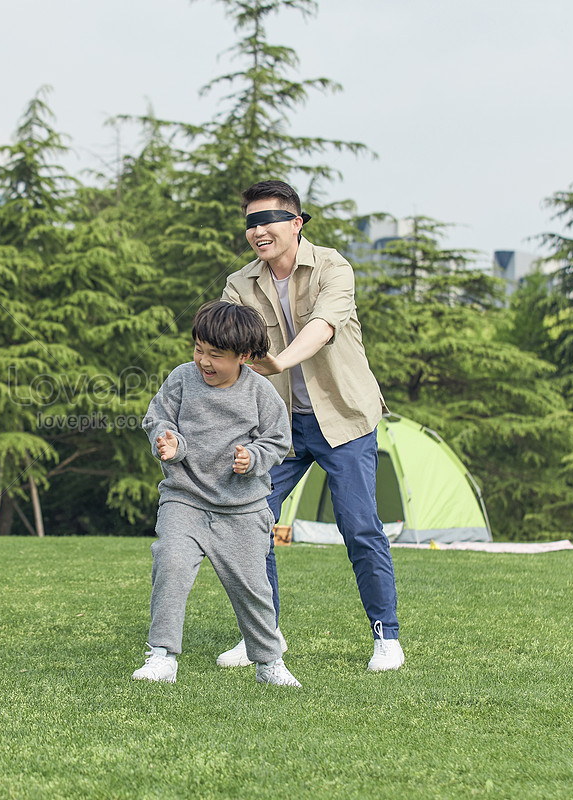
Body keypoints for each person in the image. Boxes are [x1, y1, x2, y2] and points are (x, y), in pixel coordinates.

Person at [218, 180, 404, 672]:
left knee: (360, 527)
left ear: (296, 222)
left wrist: (278, 362)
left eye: (269, 219)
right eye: (250, 222)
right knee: (250, 522)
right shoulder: (240, 284)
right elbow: (231, 342)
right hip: (278, 427)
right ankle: (265, 635)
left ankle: (387, 637)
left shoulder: (333, 267)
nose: (258, 230)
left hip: (342, 418)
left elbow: (323, 328)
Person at [134, 300, 300, 687]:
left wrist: (253, 457)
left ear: (244, 356)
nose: (204, 362)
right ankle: (162, 656)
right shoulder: (181, 379)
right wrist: (169, 441)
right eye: (199, 350)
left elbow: (278, 440)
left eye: (216, 355)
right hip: (185, 497)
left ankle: (268, 661)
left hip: (242, 508)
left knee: (253, 587)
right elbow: (156, 418)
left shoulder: (261, 392)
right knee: (171, 562)